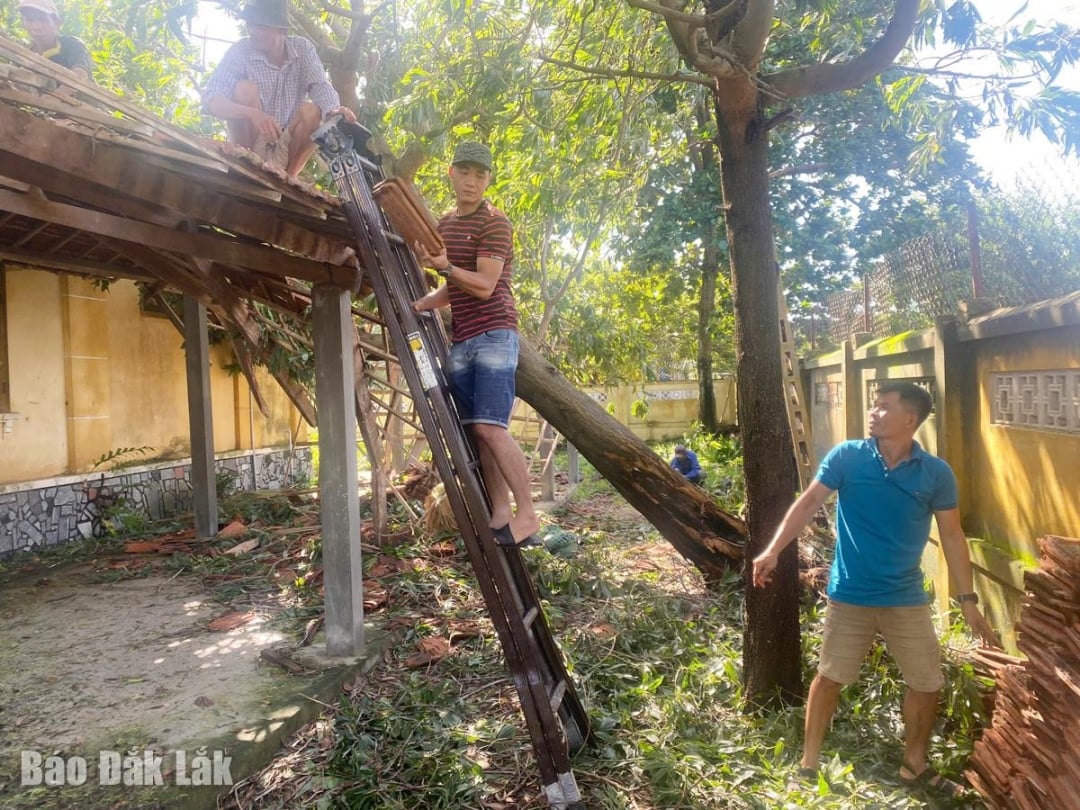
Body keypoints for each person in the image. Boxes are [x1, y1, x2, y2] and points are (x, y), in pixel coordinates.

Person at [751, 380, 998, 796]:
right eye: (873, 405)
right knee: (829, 676)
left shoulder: (936, 473)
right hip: (851, 594)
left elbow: (953, 537)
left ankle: (914, 766)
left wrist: (968, 601)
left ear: (910, 419)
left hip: (906, 597)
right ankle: (809, 763)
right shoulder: (848, 457)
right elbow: (809, 502)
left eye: (883, 407)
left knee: (927, 682)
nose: (873, 412)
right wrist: (773, 549)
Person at [411, 142, 540, 548]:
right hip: (462, 339)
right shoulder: (444, 223)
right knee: (478, 431)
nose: (472, 181)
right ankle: (501, 510)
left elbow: (483, 286)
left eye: (480, 174)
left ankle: (528, 514)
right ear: (451, 174)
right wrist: (423, 303)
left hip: (495, 334)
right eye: (465, 172)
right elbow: (455, 287)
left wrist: (445, 266)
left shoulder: (495, 222)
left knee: (491, 426)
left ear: (488, 180)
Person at [201, 0, 355, 177]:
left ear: (281, 29)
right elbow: (211, 101)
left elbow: (320, 85)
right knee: (244, 89)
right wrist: (253, 114)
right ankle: (247, 165)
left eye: (260, 26)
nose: (252, 30)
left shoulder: (302, 48)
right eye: (250, 23)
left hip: (286, 148)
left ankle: (288, 179)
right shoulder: (239, 52)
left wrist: (333, 110)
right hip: (250, 142)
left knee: (313, 111)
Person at [18, 0, 93, 82]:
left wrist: (56, 94)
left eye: (43, 20)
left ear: (57, 23)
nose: (36, 27)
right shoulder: (24, 51)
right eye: (30, 20)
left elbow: (80, 75)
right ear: (22, 22)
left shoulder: (72, 45)